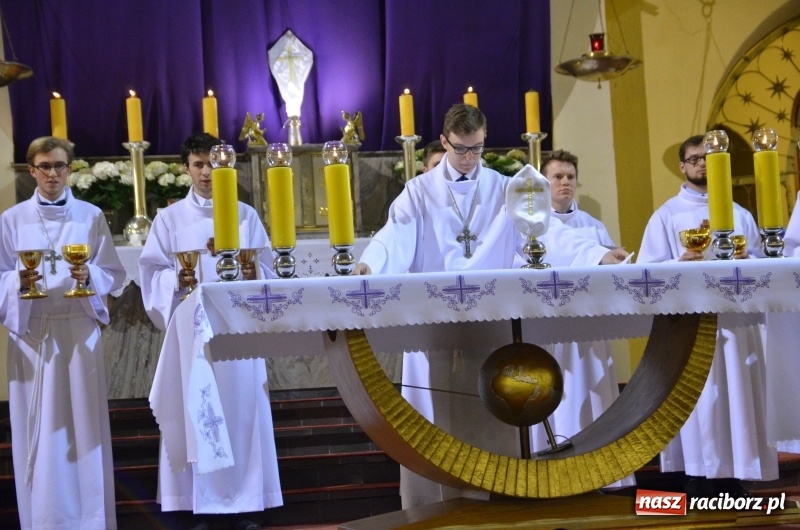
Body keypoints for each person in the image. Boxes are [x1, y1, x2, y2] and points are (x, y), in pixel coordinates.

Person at [355, 104, 627, 508]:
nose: (470, 159)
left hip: (494, 324)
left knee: (498, 413)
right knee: (441, 419)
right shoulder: (419, 191)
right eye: (462, 150)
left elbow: (546, 233)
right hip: (439, 325)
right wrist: (369, 263)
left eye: (478, 150)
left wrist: (597, 255)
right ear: (445, 142)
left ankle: (500, 504)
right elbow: (394, 237)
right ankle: (444, 508)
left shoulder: (505, 187)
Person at [139, 133, 283, 530]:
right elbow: (151, 273)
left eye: (214, 164)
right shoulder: (169, 220)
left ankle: (245, 503)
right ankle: (199, 506)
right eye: (198, 164)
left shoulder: (245, 216)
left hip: (238, 335)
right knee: (197, 413)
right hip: (193, 337)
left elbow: (269, 271)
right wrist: (177, 279)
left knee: (241, 414)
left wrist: (255, 272)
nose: (207, 172)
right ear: (186, 168)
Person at [638, 134, 776, 498]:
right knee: (699, 399)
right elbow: (646, 273)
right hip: (691, 325)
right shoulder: (666, 215)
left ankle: (735, 472)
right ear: (682, 166)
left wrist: (751, 263)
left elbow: (764, 265)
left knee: (737, 396)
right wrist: (677, 264)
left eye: (708, 159)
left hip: (735, 325)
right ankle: (697, 473)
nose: (702, 164)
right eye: (695, 158)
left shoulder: (740, 214)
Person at [0, 136, 125, 529]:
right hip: (32, 335)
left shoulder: (90, 215)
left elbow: (115, 274)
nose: (52, 174)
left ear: (70, 169)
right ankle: (44, 518)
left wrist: (90, 274)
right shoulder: (12, 219)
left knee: (84, 426)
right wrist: (18, 281)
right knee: (36, 427)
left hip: (77, 331)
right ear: (31, 170)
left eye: (59, 166)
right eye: (44, 166)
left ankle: (89, 519)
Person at [529, 149, 634, 486]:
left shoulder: (593, 226)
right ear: (544, 184)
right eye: (557, 177)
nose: (565, 183)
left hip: (590, 332)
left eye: (570, 177)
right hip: (550, 332)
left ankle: (604, 476)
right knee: (556, 399)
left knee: (596, 395)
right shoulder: (531, 225)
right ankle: (554, 476)